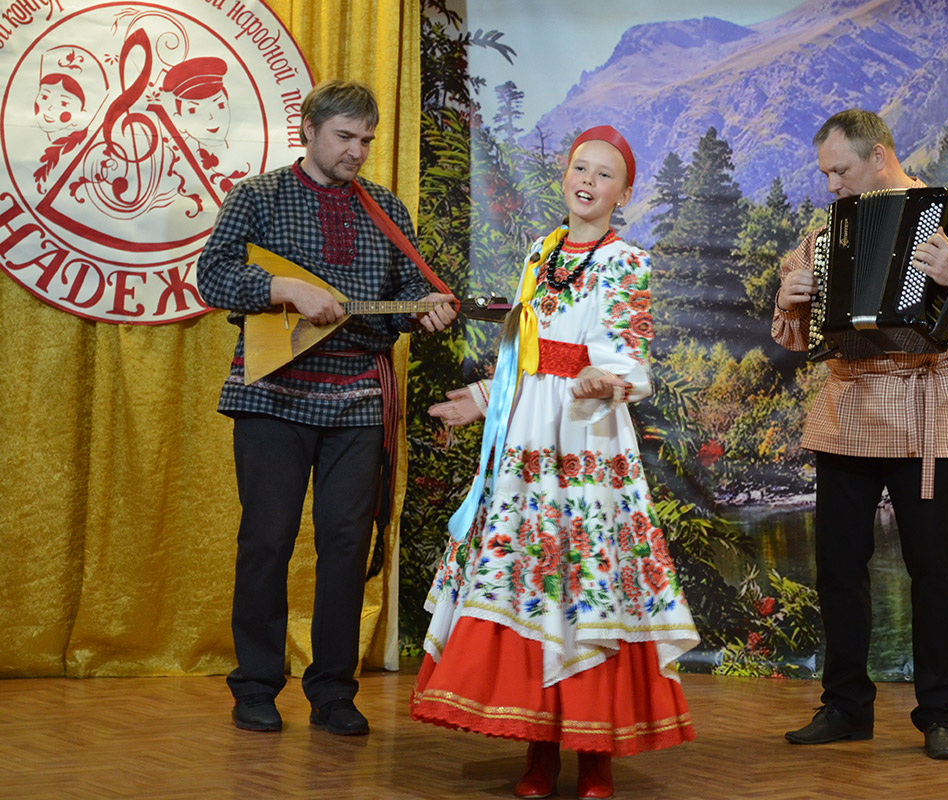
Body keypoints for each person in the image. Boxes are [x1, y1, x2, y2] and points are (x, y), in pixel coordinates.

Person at [410, 125, 698, 799]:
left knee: (585, 583)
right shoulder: (539, 254)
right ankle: (538, 750)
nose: (588, 181)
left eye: (604, 174)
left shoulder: (626, 261)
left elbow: (629, 350)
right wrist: (482, 399)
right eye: (579, 168)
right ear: (565, 176)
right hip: (529, 437)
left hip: (587, 435)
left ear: (623, 193)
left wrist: (607, 378)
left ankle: (595, 757)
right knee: (535, 587)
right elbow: (522, 352)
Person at [196, 80, 456, 736]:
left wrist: (426, 310)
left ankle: (334, 692)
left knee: (346, 543)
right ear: (308, 130)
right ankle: (256, 686)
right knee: (267, 539)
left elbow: (407, 294)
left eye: (366, 139)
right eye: (344, 137)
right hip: (270, 396)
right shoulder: (257, 197)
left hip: (358, 401)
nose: (356, 151)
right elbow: (213, 276)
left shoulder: (386, 208)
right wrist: (284, 287)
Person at [772, 109, 948, 760]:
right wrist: (792, 295)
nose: (831, 185)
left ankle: (939, 715)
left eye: (840, 170)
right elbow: (793, 333)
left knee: (934, 570)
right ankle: (845, 706)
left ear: (879, 156)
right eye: (825, 174)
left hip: (924, 408)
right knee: (838, 570)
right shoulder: (828, 233)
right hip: (848, 408)